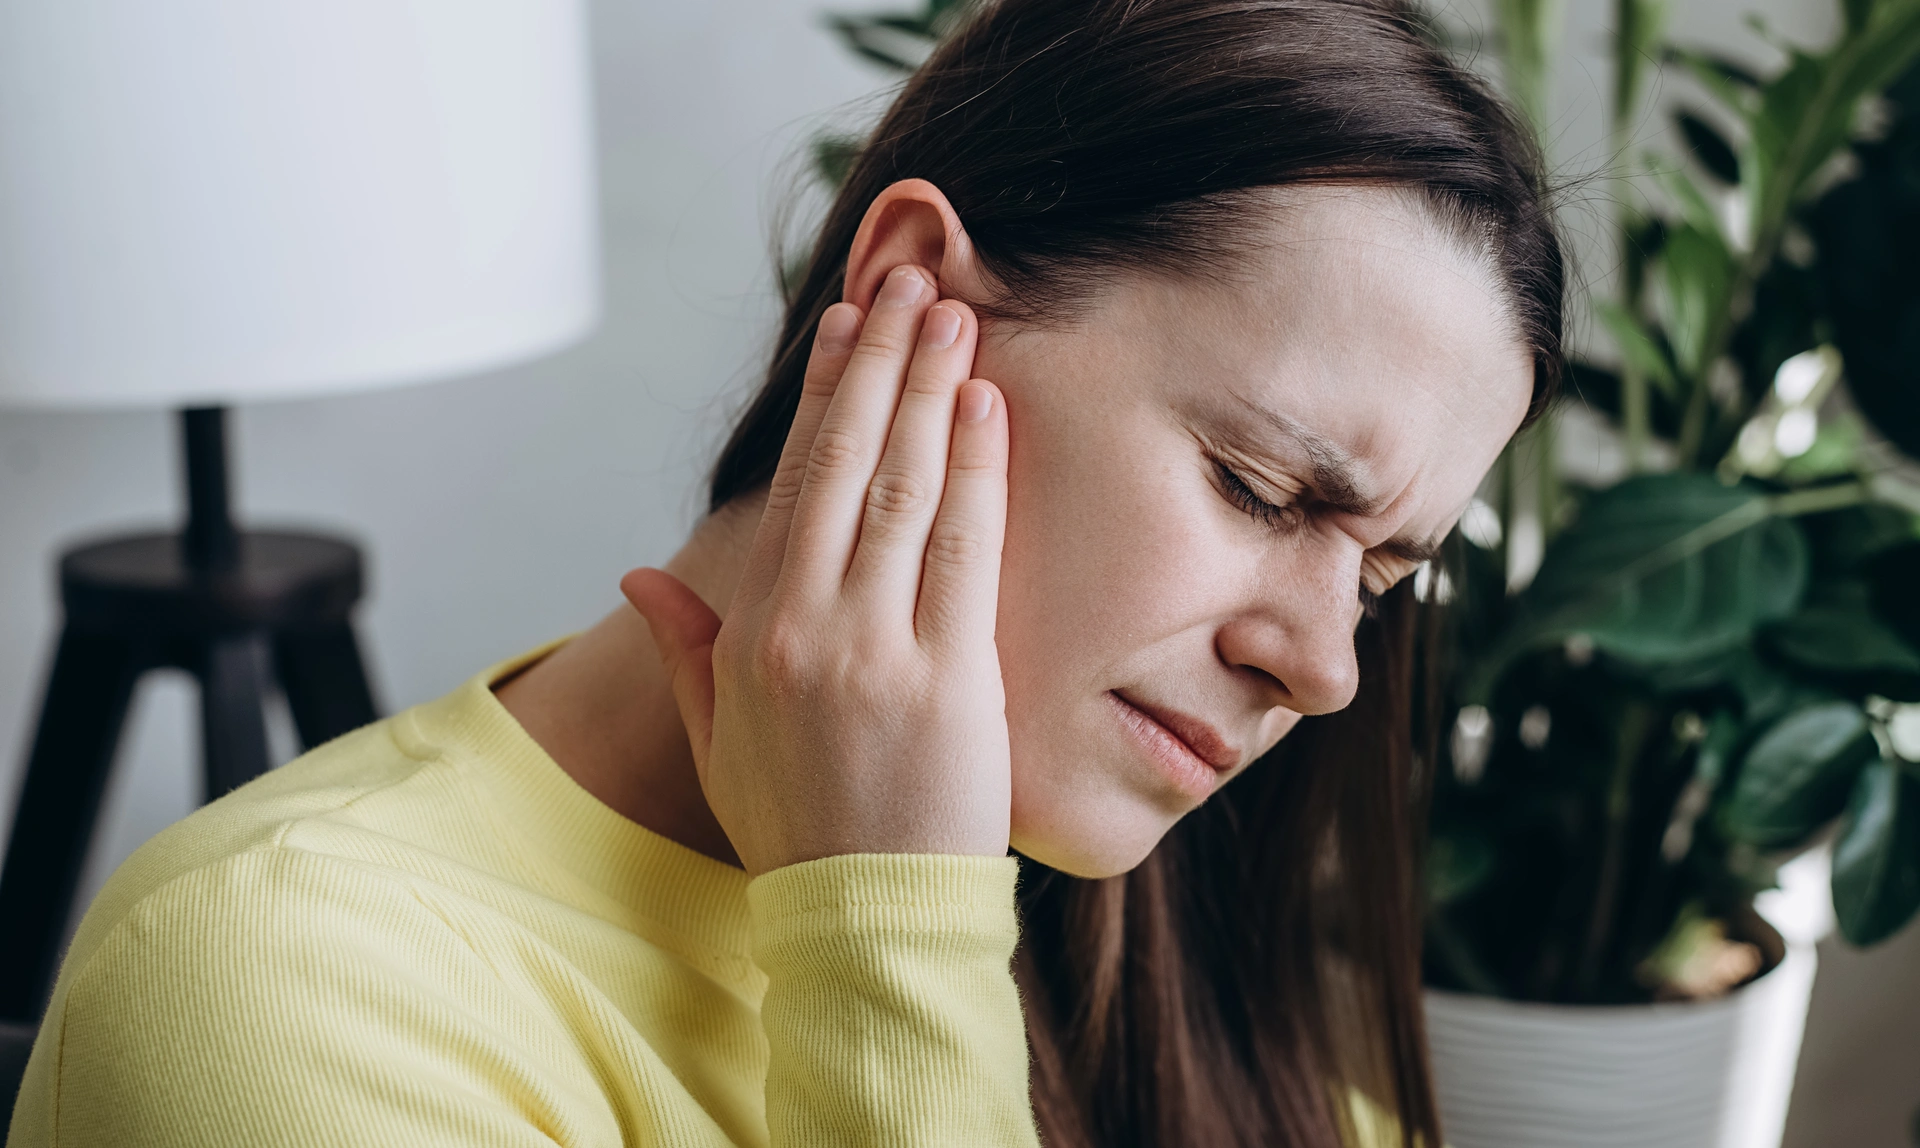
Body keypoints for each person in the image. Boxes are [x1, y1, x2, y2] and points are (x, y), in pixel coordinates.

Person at [7, 0, 1562, 1144]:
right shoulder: (280, 993)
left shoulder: (1192, 982)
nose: (1328, 667)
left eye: (1382, 579)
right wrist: (888, 930)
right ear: (909, 295)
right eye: (1259, 485)